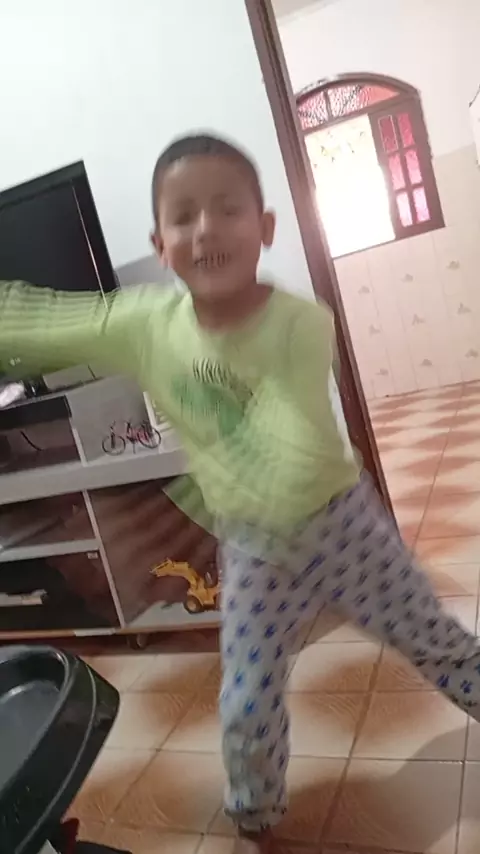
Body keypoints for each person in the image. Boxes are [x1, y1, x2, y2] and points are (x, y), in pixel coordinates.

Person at [2, 134, 480, 854]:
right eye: (184, 216)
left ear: (266, 227)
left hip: (342, 531)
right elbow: (47, 319)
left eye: (227, 208)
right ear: (161, 246)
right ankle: (256, 815)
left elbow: (290, 439)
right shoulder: (146, 325)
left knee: (438, 642)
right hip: (256, 551)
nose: (206, 229)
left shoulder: (300, 325)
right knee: (248, 696)